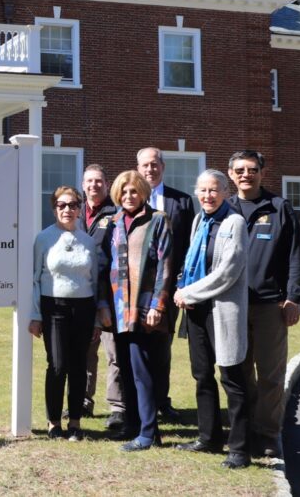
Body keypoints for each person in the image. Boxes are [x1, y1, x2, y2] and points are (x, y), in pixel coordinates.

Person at [227, 150, 300, 459]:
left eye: (252, 169)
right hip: (232, 306)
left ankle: (268, 434)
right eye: (240, 170)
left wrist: (294, 297)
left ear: (262, 172)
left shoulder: (278, 208)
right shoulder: (225, 209)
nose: (246, 175)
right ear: (231, 174)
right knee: (239, 371)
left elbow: (296, 256)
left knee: (271, 375)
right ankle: (246, 428)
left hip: (270, 306)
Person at [173, 170, 251, 469]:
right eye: (203, 190)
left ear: (225, 192)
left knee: (232, 378)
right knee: (202, 375)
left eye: (214, 190)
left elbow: (228, 271)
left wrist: (188, 292)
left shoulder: (235, 222)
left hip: (222, 310)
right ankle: (208, 439)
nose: (208, 195)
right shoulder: (199, 220)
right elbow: (192, 260)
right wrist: (184, 286)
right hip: (197, 310)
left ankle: (240, 450)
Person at [104, 170, 175, 451]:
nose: (129, 196)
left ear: (143, 192)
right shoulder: (114, 222)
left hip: (144, 309)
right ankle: (132, 426)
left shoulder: (158, 220)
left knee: (142, 372)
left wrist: (158, 305)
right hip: (119, 309)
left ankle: (148, 433)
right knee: (125, 369)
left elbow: (166, 267)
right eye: (124, 191)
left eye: (134, 191)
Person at [29, 186, 105, 442]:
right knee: (57, 365)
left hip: (83, 308)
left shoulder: (88, 241)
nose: (67, 210)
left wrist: (96, 319)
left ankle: (74, 422)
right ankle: (53, 422)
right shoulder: (44, 238)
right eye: (62, 205)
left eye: (73, 205)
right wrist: (36, 315)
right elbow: (34, 279)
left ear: (79, 209)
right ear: (54, 209)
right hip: (54, 308)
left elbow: (94, 280)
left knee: (79, 366)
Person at [136, 146, 194, 421]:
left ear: (163, 167)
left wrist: (181, 281)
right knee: (135, 348)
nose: (150, 169)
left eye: (155, 164)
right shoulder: (129, 200)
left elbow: (189, 246)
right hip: (135, 289)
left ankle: (161, 400)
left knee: (162, 346)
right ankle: (134, 405)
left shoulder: (181, 201)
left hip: (169, 288)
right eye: (145, 165)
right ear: (138, 169)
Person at [77, 165, 124, 430]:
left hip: (110, 294)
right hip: (82, 293)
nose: (93, 185)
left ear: (107, 184)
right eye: (89, 181)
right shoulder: (75, 212)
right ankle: (83, 401)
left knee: (114, 352)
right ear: (83, 184)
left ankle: (117, 407)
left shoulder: (116, 213)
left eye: (98, 181)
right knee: (85, 352)